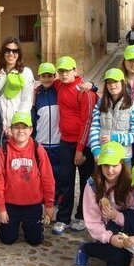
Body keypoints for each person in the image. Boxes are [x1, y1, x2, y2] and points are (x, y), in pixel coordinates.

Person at [75, 142, 134, 266]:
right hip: (107, 230)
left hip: (127, 228)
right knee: (115, 265)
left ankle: (119, 258)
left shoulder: (131, 184)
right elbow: (92, 220)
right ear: (100, 166)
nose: (110, 170)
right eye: (106, 165)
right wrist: (109, 238)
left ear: (122, 164)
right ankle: (87, 248)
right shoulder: (92, 185)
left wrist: (117, 216)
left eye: (115, 165)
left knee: (132, 215)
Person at [0, 112, 55, 246]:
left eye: (24, 127)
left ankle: (29, 225)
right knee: (7, 239)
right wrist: (0, 208)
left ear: (31, 130)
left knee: (35, 240)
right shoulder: (4, 150)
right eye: (16, 127)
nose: (20, 131)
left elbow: (47, 178)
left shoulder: (38, 149)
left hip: (32, 204)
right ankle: (10, 226)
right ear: (10, 129)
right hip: (11, 204)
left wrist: (49, 204)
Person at [52, 56, 97, 234]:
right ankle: (63, 218)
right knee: (65, 181)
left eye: (67, 70)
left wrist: (80, 149)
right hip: (65, 141)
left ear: (75, 71)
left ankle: (82, 217)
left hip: (83, 144)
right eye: (60, 71)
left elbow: (88, 121)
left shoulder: (85, 92)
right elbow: (46, 82)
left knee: (86, 183)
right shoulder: (60, 85)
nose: (63, 74)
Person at [89, 68, 134, 168]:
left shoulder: (133, 106)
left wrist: (114, 138)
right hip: (103, 156)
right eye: (109, 82)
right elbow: (94, 129)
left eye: (116, 82)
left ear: (122, 83)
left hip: (123, 157)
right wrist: (96, 151)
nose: (112, 85)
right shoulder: (100, 104)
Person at [0, 37, 34, 136]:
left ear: (19, 54)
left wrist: (15, 126)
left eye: (15, 51)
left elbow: (26, 101)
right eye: (8, 50)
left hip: (18, 129)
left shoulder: (25, 73)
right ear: (3, 52)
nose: (11, 54)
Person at [32, 62, 61, 201]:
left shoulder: (59, 91)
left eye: (50, 76)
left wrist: (93, 85)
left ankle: (55, 199)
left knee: (57, 173)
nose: (47, 79)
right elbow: (32, 117)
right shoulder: (36, 94)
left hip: (58, 142)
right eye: (44, 76)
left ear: (55, 77)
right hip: (41, 142)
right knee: (41, 173)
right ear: (39, 77)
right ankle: (42, 198)